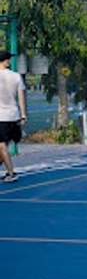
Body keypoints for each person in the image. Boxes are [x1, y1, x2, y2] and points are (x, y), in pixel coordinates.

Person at [0, 50, 26, 183]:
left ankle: (11, 172)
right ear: (5, 61)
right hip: (13, 115)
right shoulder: (16, 76)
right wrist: (23, 115)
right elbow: (21, 97)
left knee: (1, 146)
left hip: (1, 116)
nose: (9, 61)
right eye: (8, 59)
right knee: (4, 145)